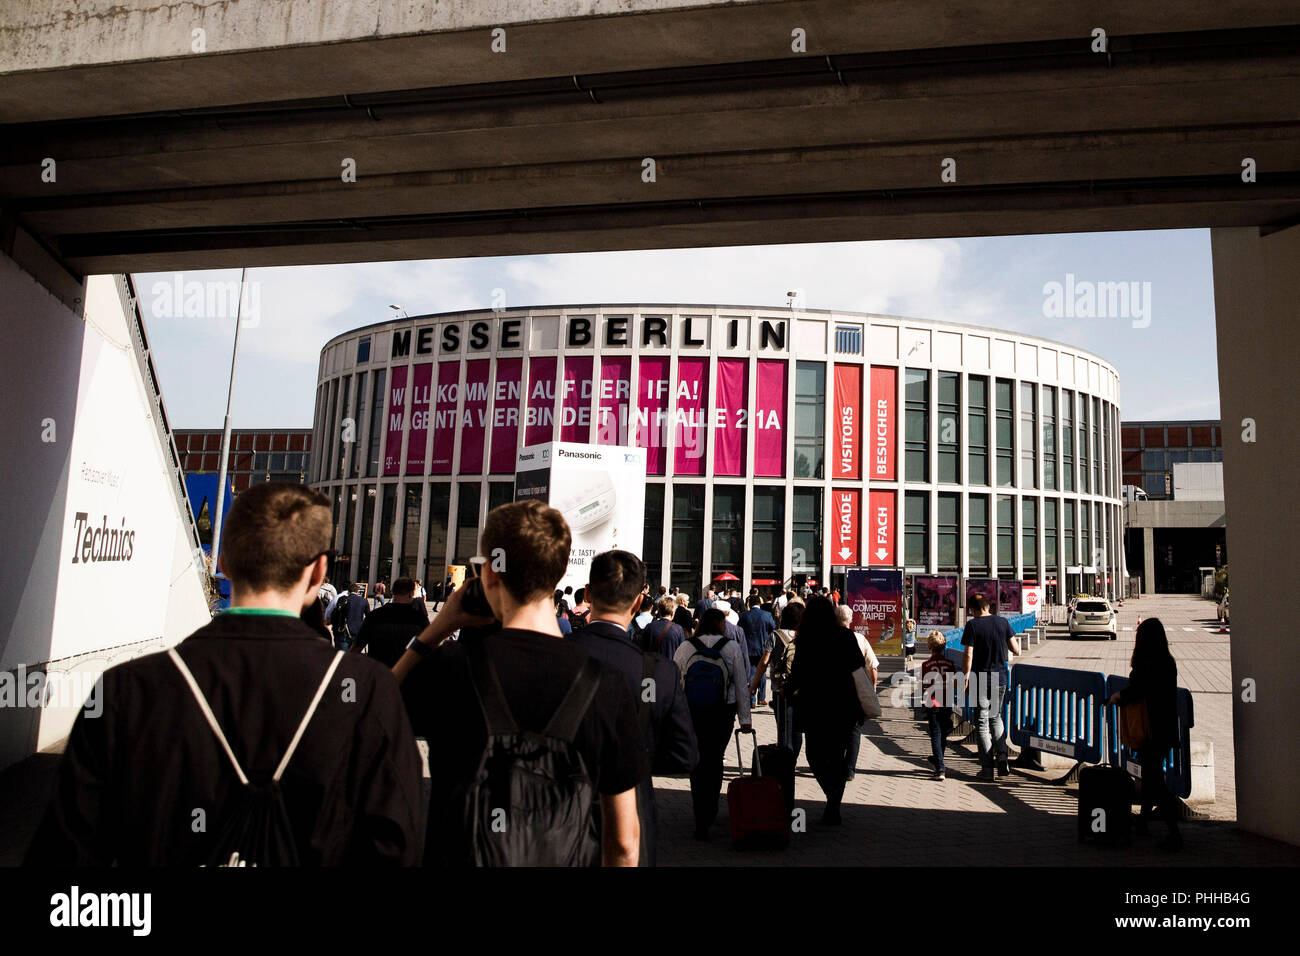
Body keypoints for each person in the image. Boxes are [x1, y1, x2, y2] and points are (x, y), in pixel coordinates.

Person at [27, 483, 423, 865]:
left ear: (224, 563)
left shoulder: (127, 689)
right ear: (320, 572)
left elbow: (66, 856)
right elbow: (396, 846)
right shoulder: (368, 690)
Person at [392, 500, 645, 867]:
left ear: (491, 574)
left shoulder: (450, 669)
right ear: (557, 575)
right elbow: (624, 842)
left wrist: (435, 631)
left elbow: (365, 715)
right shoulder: (606, 685)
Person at [569, 551, 698, 866]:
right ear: (639, 603)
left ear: (587, 594)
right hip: (634, 810)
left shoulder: (555, 655)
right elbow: (686, 756)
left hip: (561, 812)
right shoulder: (659, 673)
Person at [784, 597, 868, 825]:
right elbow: (859, 669)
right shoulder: (846, 636)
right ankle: (834, 804)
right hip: (844, 705)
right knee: (837, 756)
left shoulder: (806, 640)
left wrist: (787, 692)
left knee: (815, 755)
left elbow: (797, 673)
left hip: (816, 706)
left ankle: (831, 799)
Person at [673, 608, 752, 840]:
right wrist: (745, 719)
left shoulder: (687, 646)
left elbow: (675, 680)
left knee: (697, 761)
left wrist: (674, 715)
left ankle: (700, 813)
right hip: (722, 712)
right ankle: (711, 806)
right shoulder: (731, 647)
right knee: (715, 757)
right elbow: (740, 684)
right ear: (719, 624)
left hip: (692, 711)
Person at [1108, 618, 1182, 850]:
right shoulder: (1168, 662)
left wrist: (1119, 697)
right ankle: (1143, 821)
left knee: (1155, 780)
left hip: (1149, 728)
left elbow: (1138, 689)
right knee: (1150, 777)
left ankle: (1174, 832)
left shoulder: (1146, 662)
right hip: (1166, 727)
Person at [960, 593, 1020, 781]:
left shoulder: (972, 625)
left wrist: (966, 676)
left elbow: (968, 654)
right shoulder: (1003, 623)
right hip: (1000, 677)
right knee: (996, 717)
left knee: (982, 723)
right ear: (988, 606)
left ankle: (987, 768)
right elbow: (1016, 649)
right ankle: (1002, 755)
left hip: (980, 678)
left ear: (973, 610)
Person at [351, 577, 429, 667]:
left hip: (378, 671)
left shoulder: (374, 616)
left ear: (392, 591)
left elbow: (356, 648)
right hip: (408, 673)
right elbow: (429, 647)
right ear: (411, 593)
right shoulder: (419, 619)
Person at [841, 604, 879, 782]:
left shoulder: (827, 638)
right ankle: (849, 769)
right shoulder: (860, 639)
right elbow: (873, 666)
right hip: (857, 691)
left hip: (835, 693)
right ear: (850, 620)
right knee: (854, 731)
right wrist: (873, 688)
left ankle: (837, 764)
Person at [921, 631, 957, 780]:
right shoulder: (950, 664)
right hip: (946, 701)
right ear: (943, 646)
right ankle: (939, 759)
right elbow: (955, 682)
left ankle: (940, 767)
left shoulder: (926, 664)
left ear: (929, 646)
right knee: (943, 732)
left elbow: (924, 683)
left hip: (933, 702)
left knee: (935, 733)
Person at [770, 602, 804, 760]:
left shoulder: (775, 635)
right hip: (800, 689)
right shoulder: (805, 636)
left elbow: (764, 662)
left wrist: (753, 687)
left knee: (783, 727)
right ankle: (793, 758)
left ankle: (785, 761)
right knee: (797, 728)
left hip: (779, 688)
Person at [738, 594, 777, 708]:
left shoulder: (744, 615)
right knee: (762, 671)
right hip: (763, 647)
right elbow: (773, 629)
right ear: (760, 603)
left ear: (749, 603)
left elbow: (739, 630)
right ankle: (762, 697)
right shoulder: (767, 615)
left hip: (748, 647)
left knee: (750, 672)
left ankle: (751, 699)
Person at [325, 581, 369, 651]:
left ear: (348, 591)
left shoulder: (343, 599)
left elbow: (337, 613)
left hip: (344, 630)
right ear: (357, 591)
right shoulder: (364, 601)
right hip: (358, 632)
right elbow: (368, 617)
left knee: (342, 656)